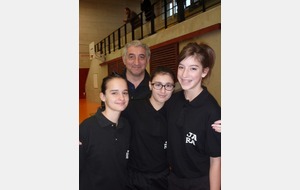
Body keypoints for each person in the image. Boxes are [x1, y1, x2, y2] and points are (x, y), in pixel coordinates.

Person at [164, 42, 221, 190]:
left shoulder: (211, 111)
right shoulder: (173, 100)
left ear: (204, 72)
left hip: (199, 182)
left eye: (193, 68)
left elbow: (216, 160)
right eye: (181, 67)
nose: (184, 75)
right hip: (174, 179)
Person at [122, 66, 176, 190]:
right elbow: (109, 118)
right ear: (150, 85)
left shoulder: (174, 112)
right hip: (134, 177)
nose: (163, 90)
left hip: (162, 177)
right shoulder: (133, 108)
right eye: (158, 85)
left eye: (168, 85)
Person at [79, 74, 131, 190]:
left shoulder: (126, 126)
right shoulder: (87, 128)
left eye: (125, 92)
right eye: (114, 93)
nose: (121, 98)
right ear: (103, 96)